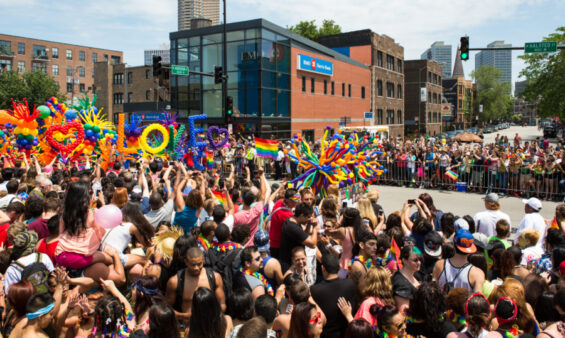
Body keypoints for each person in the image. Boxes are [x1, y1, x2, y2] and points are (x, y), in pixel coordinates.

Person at [165, 247, 225, 323]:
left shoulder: (215, 278)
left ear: (203, 260)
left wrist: (213, 317)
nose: (196, 268)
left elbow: (222, 304)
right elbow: (166, 308)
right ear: (186, 262)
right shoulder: (174, 282)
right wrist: (184, 316)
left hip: (209, 325)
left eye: (199, 264)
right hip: (186, 326)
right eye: (193, 265)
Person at [311, 253, 357, 338]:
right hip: (347, 334)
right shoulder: (350, 284)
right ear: (339, 267)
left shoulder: (314, 290)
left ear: (322, 268)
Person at [433, 229, 485, 293]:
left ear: (454, 245)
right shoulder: (477, 274)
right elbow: (477, 301)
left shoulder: (439, 265)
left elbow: (432, 291)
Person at [233, 167, 269, 247]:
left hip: (241, 246)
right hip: (254, 245)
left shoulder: (237, 215)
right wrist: (261, 175)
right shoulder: (256, 210)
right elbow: (263, 194)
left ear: (242, 198)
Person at [279, 202, 319, 271]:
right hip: (290, 265)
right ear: (302, 215)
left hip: (292, 262)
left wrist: (309, 224)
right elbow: (313, 244)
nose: (310, 219)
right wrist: (315, 227)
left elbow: (303, 236)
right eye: (308, 217)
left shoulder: (292, 220)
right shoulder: (293, 227)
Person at [268, 189, 298, 259]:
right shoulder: (287, 215)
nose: (297, 201)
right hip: (279, 245)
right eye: (295, 200)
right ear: (288, 201)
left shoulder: (280, 201)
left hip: (273, 241)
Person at [392, 245, 424, 312]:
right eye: (415, 260)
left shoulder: (416, 275)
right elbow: (404, 312)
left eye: (420, 259)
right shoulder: (400, 283)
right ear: (404, 260)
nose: (419, 262)